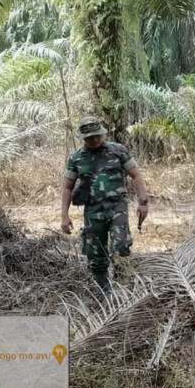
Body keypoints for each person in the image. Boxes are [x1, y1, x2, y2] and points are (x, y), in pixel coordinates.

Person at [61, 116, 149, 291]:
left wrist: (143, 202)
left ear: (103, 134)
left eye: (97, 136)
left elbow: (136, 175)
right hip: (93, 210)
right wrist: (64, 216)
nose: (94, 140)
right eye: (89, 138)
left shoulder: (118, 151)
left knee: (121, 245)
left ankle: (122, 286)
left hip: (117, 206)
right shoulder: (76, 159)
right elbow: (67, 188)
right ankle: (104, 291)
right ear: (83, 138)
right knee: (95, 253)